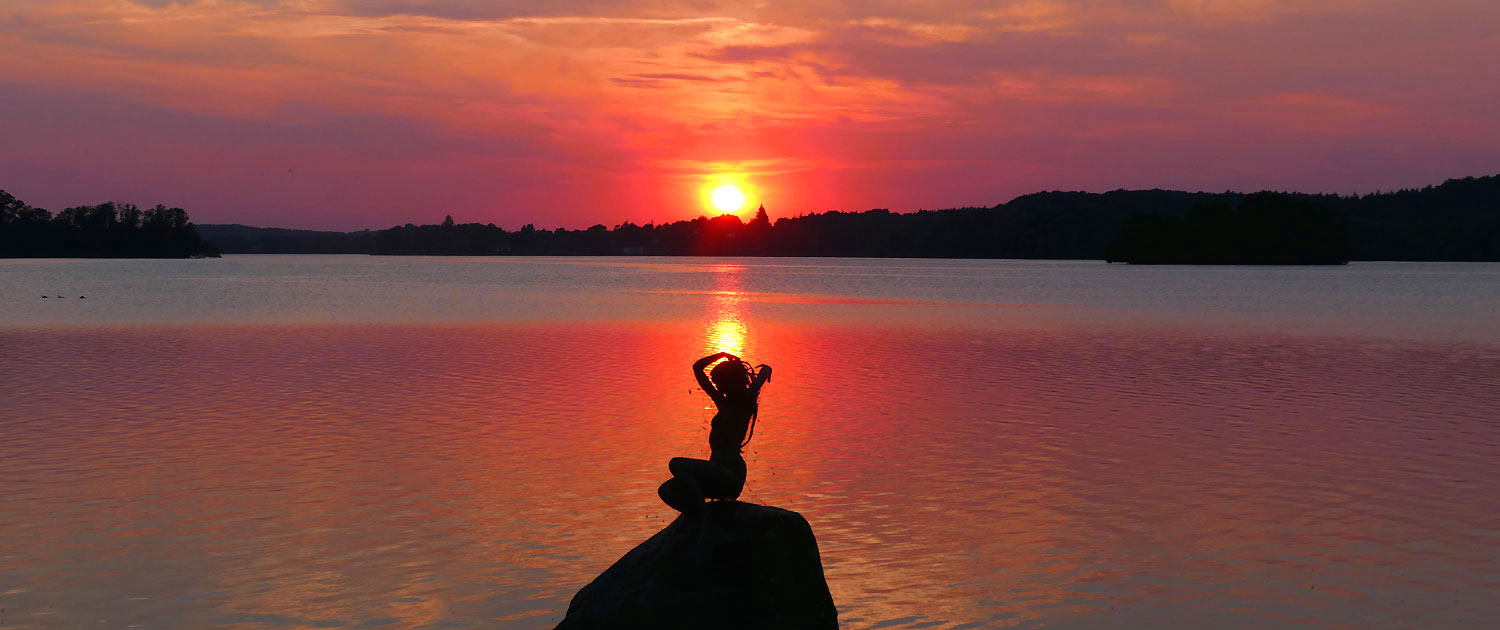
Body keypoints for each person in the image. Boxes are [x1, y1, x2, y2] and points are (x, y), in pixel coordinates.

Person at [658, 351, 772, 513]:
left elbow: (763, 375)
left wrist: (766, 370)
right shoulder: (722, 402)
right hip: (716, 469)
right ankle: (698, 512)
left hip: (730, 473)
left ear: (730, 380)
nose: (717, 386)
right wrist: (721, 354)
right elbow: (697, 368)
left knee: (676, 464)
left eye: (719, 382)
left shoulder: (744, 402)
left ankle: (701, 514)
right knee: (667, 489)